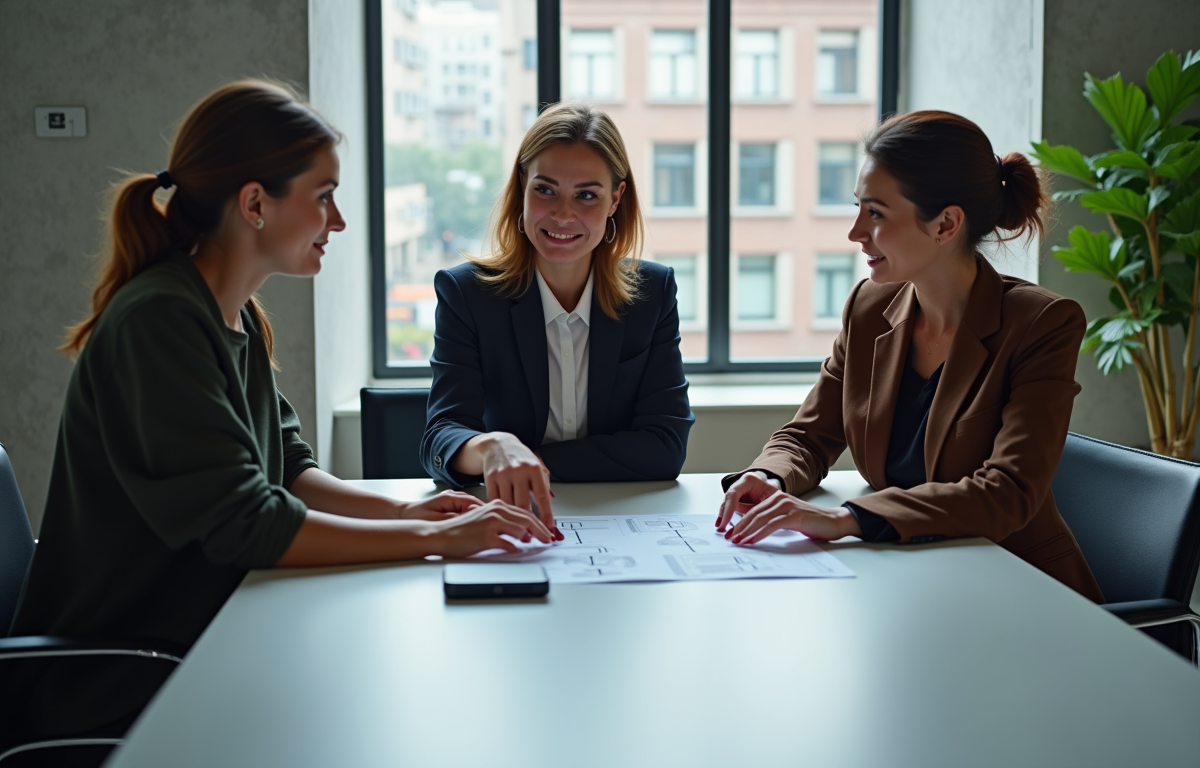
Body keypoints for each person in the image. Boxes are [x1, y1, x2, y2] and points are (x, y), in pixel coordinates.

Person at [6, 80, 553, 742]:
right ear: (255, 204)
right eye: (324, 198)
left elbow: (287, 469)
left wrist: (409, 513)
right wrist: (434, 542)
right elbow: (249, 525)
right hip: (132, 682)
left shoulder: (229, 313)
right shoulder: (160, 321)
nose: (340, 221)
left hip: (203, 643)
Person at [715, 110, 1104, 603]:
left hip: (1018, 589)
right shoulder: (868, 307)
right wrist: (769, 475)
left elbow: (1009, 492)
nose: (855, 232)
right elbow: (809, 435)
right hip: (909, 579)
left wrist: (847, 518)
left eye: (876, 213)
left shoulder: (1042, 324)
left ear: (945, 224)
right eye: (857, 207)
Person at [421, 101, 694, 532]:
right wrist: (493, 447)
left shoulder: (652, 294)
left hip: (618, 522)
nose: (563, 213)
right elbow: (440, 437)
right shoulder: (467, 294)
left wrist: (531, 461)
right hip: (505, 520)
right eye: (545, 189)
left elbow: (665, 447)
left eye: (586, 195)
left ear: (615, 200)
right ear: (521, 187)